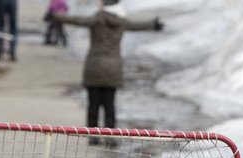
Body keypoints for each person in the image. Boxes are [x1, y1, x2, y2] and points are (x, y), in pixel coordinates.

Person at [47, 0, 163, 137]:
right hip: (113, 69)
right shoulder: (121, 21)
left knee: (93, 104)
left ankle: (93, 136)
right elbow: (137, 25)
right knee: (109, 105)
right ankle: (110, 136)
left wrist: (54, 16)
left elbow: (76, 20)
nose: (98, 4)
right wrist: (153, 24)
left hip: (94, 68)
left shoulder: (96, 19)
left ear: (106, 4)